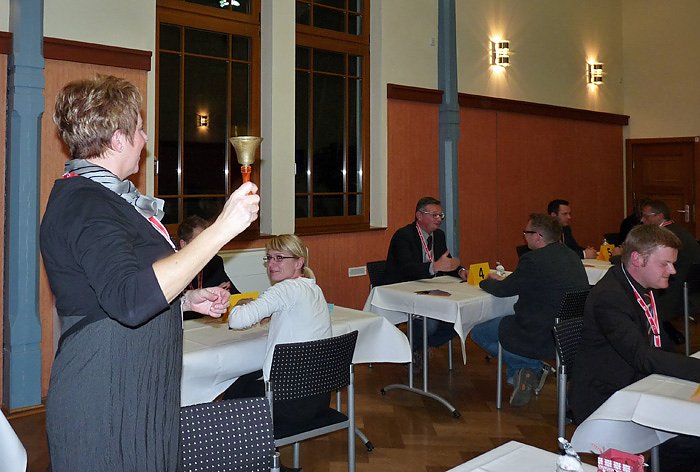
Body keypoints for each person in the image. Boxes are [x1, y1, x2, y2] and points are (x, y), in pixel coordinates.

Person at [41, 75, 260, 471]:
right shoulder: (85, 204)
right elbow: (129, 300)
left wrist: (185, 300)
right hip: (106, 398)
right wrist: (222, 229)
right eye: (140, 129)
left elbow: (118, 288)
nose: (145, 139)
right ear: (118, 139)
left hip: (138, 392)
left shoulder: (106, 199)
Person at [570, 224, 700, 471]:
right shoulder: (611, 296)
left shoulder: (639, 286)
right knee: (692, 435)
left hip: (639, 379)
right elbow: (641, 355)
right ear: (638, 259)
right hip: (608, 395)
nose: (673, 271)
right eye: (665, 264)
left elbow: (659, 343)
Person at [470, 213, 589, 407]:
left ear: (538, 237)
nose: (524, 236)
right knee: (507, 319)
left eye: (527, 232)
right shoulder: (570, 255)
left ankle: (532, 367)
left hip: (538, 331)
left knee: (478, 333)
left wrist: (484, 281)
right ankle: (520, 375)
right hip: (569, 330)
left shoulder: (532, 259)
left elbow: (503, 290)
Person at [225, 234, 332, 432]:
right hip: (317, 397)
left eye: (279, 258)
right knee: (244, 380)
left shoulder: (285, 289)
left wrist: (239, 304)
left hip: (288, 402)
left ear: (299, 262)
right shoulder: (314, 288)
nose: (271, 264)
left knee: (232, 389)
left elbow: (237, 321)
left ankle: (251, 449)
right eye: (269, 258)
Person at [383, 196, 467, 354]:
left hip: (430, 290)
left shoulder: (439, 235)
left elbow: (446, 262)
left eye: (440, 215)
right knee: (431, 323)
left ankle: (416, 347)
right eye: (434, 215)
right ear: (419, 215)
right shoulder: (404, 235)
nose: (439, 219)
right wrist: (433, 267)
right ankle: (410, 349)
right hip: (403, 289)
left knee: (459, 320)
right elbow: (406, 268)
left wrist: (461, 271)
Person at [640, 199, 700, 345]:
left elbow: (644, 259)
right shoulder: (679, 231)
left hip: (673, 292)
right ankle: (670, 333)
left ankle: (655, 337)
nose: (642, 220)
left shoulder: (663, 237)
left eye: (646, 216)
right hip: (691, 289)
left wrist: (618, 257)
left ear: (660, 216)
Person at [178, 215, 241, 319]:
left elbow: (235, 295)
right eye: (200, 241)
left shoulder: (214, 262)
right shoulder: (172, 267)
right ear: (183, 244)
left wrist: (222, 295)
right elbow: (171, 306)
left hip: (208, 322)